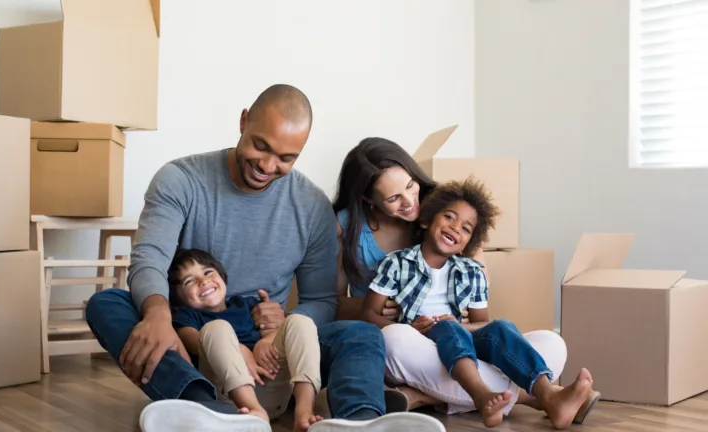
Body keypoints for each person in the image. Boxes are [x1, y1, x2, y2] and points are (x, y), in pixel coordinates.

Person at [85, 85, 444, 432]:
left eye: (286, 158)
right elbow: (150, 256)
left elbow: (321, 300)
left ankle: (358, 422)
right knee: (107, 304)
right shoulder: (180, 180)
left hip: (273, 355)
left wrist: (280, 329)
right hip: (191, 339)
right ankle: (202, 405)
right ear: (244, 122)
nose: (268, 166)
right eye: (261, 146)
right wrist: (158, 314)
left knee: (361, 334)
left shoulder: (312, 206)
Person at [331, 137, 574, 418]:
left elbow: (479, 295)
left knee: (552, 343)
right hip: (408, 342)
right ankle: (529, 397)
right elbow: (334, 303)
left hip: (460, 338)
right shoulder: (353, 232)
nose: (411, 202)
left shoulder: (446, 209)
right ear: (368, 199)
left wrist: (467, 316)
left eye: (410, 185)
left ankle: (422, 397)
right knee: (396, 338)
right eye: (394, 198)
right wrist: (387, 311)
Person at [362, 178, 600, 429]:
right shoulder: (397, 263)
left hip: (463, 347)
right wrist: (411, 329)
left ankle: (546, 395)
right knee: (396, 337)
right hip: (419, 346)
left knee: (539, 339)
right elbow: (369, 314)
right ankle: (497, 395)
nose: (455, 228)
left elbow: (481, 324)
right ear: (426, 219)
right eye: (450, 217)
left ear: (470, 242)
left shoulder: (472, 271)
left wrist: (459, 326)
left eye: (466, 228)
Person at [168, 248, 323, 431]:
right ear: (178, 298)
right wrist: (239, 350)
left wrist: (265, 341)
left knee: (300, 321)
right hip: (232, 397)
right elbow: (191, 340)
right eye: (190, 281)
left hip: (271, 381)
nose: (203, 281)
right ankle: (254, 411)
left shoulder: (246, 303)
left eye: (208, 272)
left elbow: (271, 329)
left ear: (222, 276)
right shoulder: (188, 316)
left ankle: (304, 412)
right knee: (216, 328)